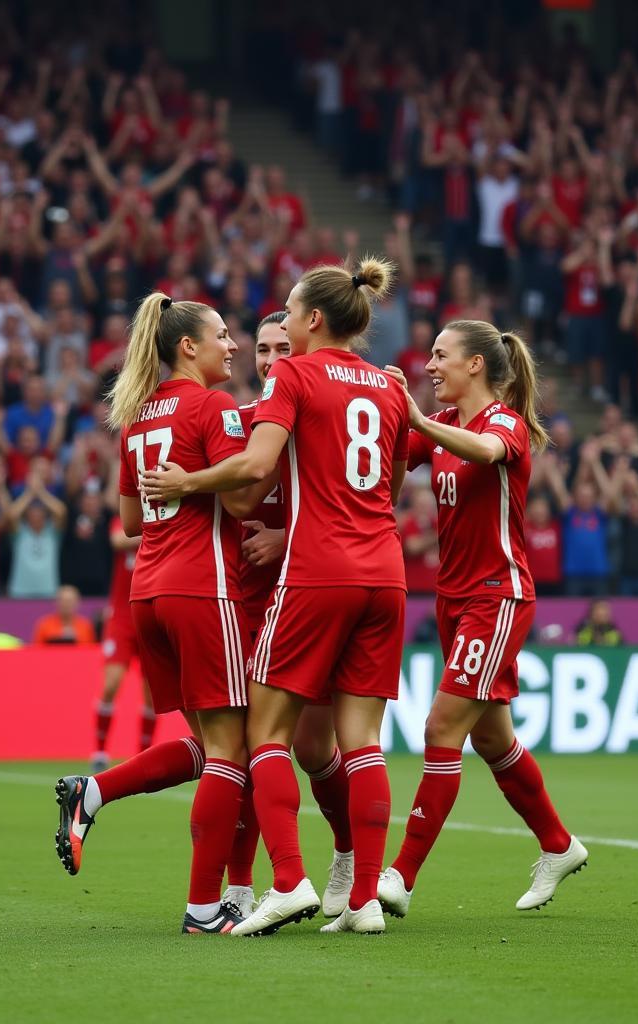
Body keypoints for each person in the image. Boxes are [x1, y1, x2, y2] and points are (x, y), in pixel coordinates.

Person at [143, 257, 408, 937]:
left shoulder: (295, 374)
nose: (282, 330)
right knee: (363, 742)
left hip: (318, 570)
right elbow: (394, 476)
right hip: (386, 570)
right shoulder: (385, 385)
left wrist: (187, 485)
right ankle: (365, 901)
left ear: (315, 319)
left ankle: (287, 880)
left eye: (288, 314)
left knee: (265, 731)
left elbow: (257, 468)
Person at [55, 291, 262, 935]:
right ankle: (206, 908)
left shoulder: (139, 416)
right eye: (222, 335)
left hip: (148, 591)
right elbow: (240, 502)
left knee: (209, 746)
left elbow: (128, 520)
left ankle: (94, 790)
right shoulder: (215, 406)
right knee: (236, 750)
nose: (234, 345)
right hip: (205, 588)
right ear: (187, 347)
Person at [378, 320, 588, 918]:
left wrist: (417, 419)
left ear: (476, 365)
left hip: (497, 596)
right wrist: (386, 405)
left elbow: (489, 452)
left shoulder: (503, 423)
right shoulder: (443, 426)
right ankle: (558, 845)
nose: (431, 366)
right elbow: (393, 466)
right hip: (452, 598)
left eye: (442, 356)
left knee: (441, 728)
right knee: (492, 737)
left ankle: (400, 877)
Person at [222, 311, 358, 921]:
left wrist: (284, 538)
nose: (271, 358)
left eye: (283, 345)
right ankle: (242, 885)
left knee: (310, 748)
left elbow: (355, 497)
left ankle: (347, 854)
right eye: (262, 349)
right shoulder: (251, 423)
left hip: (319, 590)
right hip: (261, 605)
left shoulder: (317, 413)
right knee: (264, 745)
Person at [91, 514, 156, 772]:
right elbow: (118, 540)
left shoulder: (168, 513)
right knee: (111, 684)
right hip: (121, 617)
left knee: (152, 695)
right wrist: (154, 532)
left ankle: (145, 755)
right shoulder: (127, 519)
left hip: (151, 613)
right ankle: (99, 750)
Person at [33, 585, 97, 644]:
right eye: (63, 601)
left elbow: (91, 650)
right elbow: (37, 650)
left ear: (78, 602)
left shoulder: (86, 625)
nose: (66, 605)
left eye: (70, 601)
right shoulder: (44, 624)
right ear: (56, 602)